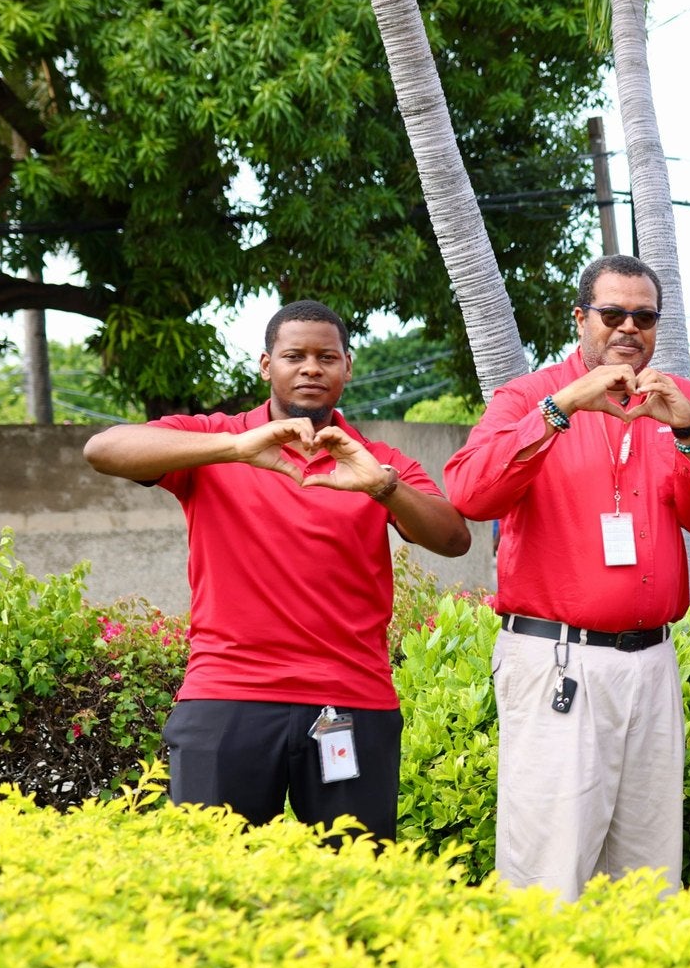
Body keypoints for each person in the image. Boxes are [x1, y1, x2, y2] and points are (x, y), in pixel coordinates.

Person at [83, 299, 470, 840]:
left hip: (350, 700)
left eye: (326, 357)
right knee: (210, 875)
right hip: (226, 696)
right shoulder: (217, 440)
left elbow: (453, 538)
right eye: (294, 356)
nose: (311, 367)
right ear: (267, 365)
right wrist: (236, 448)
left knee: (356, 881)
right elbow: (103, 449)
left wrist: (381, 485)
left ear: (347, 367)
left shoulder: (379, 460)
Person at [444, 254, 690, 901]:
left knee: (649, 871)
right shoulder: (526, 396)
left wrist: (687, 428)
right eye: (613, 313)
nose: (629, 327)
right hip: (559, 660)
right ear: (581, 319)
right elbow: (469, 490)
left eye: (645, 316)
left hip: (651, 661)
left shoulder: (677, 400)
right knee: (552, 868)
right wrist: (560, 407)